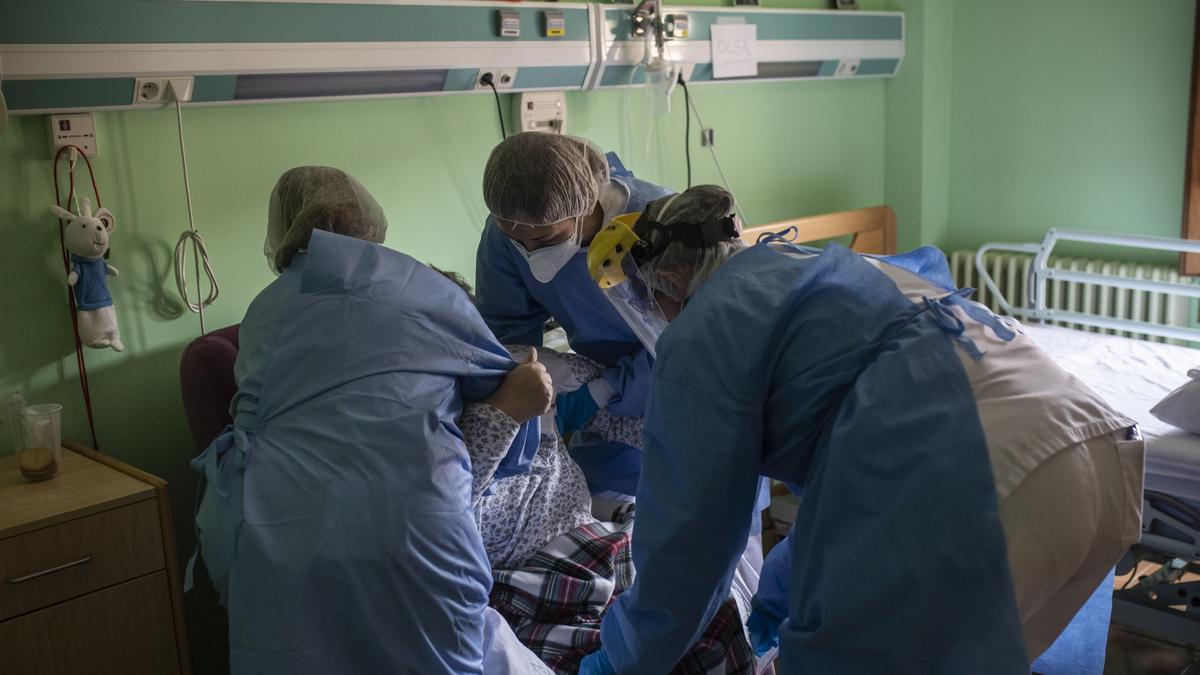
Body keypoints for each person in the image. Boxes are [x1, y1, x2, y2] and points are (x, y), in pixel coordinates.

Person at [579, 185, 1145, 674]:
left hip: (979, 483)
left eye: (647, 297)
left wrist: (622, 660)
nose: (652, 314)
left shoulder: (701, 334)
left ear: (672, 279)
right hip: (1093, 452)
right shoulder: (831, 270)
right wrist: (779, 594)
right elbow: (864, 474)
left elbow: (687, 539)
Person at [190, 166, 556, 674]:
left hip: (269, 524)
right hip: (410, 524)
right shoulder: (426, 290)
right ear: (371, 224)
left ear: (283, 231)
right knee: (442, 654)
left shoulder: (264, 314)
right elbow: (509, 380)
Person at [437, 269, 756, 674]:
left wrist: (704, 449)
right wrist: (502, 414)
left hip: (595, 543)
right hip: (519, 581)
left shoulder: (527, 364)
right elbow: (439, 510)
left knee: (712, 616)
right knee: (601, 652)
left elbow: (633, 416)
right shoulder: (423, 424)